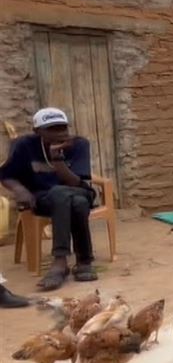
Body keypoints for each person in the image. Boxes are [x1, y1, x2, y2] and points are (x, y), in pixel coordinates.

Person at [0, 108, 98, 291]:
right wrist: (21, 190)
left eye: (62, 128)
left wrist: (57, 158)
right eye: (52, 129)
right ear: (37, 131)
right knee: (76, 203)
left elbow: (76, 182)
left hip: (77, 190)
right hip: (43, 198)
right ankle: (84, 260)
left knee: (67, 194)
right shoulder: (24, 145)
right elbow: (6, 175)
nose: (60, 133)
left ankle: (60, 262)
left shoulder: (79, 144)